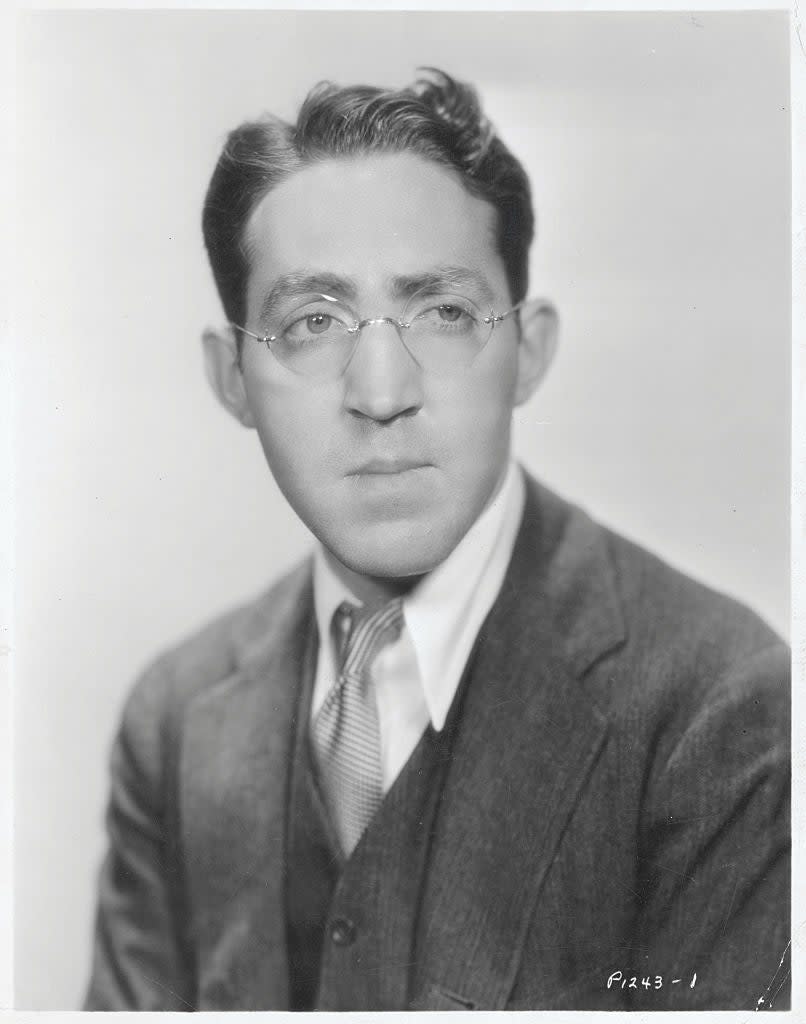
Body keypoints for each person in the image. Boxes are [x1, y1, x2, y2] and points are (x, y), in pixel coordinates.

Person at [83, 69, 790, 1012]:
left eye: (445, 313)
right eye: (313, 321)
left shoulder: (715, 707)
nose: (382, 391)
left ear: (527, 352)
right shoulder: (174, 721)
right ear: (232, 380)